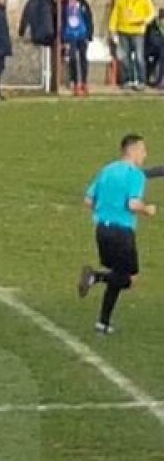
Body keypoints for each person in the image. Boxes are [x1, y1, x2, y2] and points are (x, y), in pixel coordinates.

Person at [78, 132, 157, 335]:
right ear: (132, 150)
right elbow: (133, 204)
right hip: (122, 233)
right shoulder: (135, 175)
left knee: (118, 274)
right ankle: (95, 277)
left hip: (102, 230)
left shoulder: (107, 170)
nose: (145, 155)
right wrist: (147, 210)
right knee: (129, 279)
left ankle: (102, 323)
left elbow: (88, 200)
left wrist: (105, 209)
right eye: (143, 150)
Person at [108, 0, 153, 90]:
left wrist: (143, 21)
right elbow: (115, 14)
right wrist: (112, 29)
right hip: (123, 31)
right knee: (124, 58)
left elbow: (151, 13)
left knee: (139, 57)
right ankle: (127, 80)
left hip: (138, 31)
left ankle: (141, 81)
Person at [58, 0, 94, 96]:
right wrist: (62, 38)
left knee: (83, 58)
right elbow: (61, 20)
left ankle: (84, 82)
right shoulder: (64, 3)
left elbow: (88, 17)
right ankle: (74, 82)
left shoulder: (82, 2)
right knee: (73, 58)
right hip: (70, 34)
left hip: (82, 34)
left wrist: (89, 33)